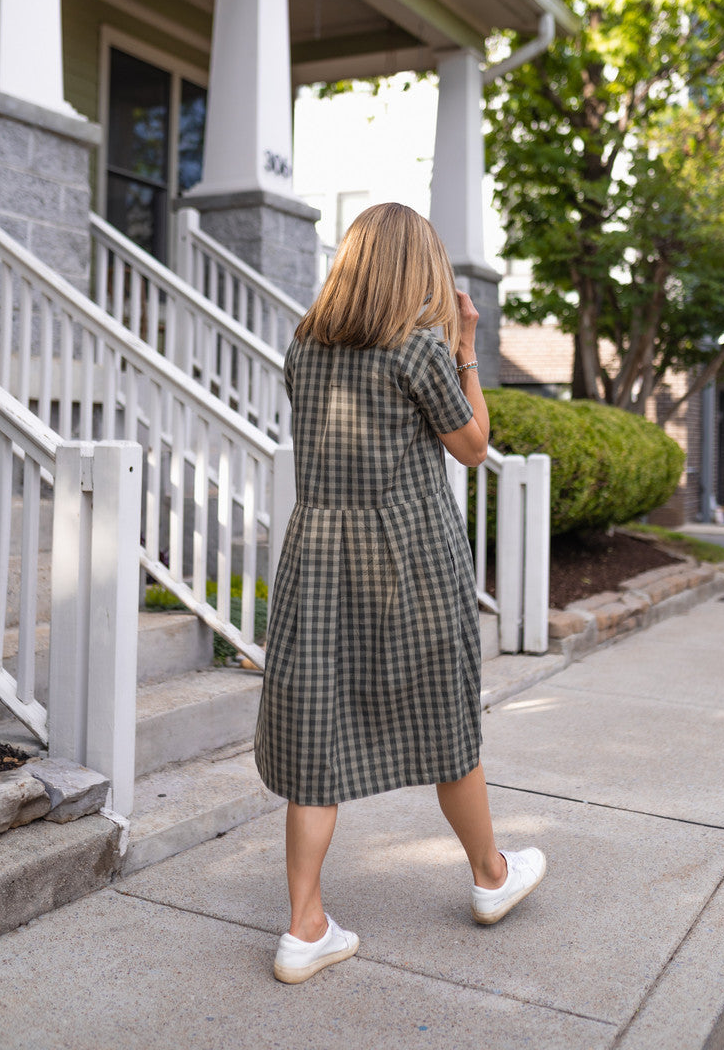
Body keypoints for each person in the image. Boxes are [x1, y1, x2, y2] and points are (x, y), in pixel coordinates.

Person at [254, 203, 546, 984]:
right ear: (418, 273)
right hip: (408, 556)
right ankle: (489, 876)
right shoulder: (419, 351)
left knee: (317, 732)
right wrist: (466, 352)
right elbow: (475, 446)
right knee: (444, 714)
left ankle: (302, 926)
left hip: (319, 556)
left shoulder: (303, 349)